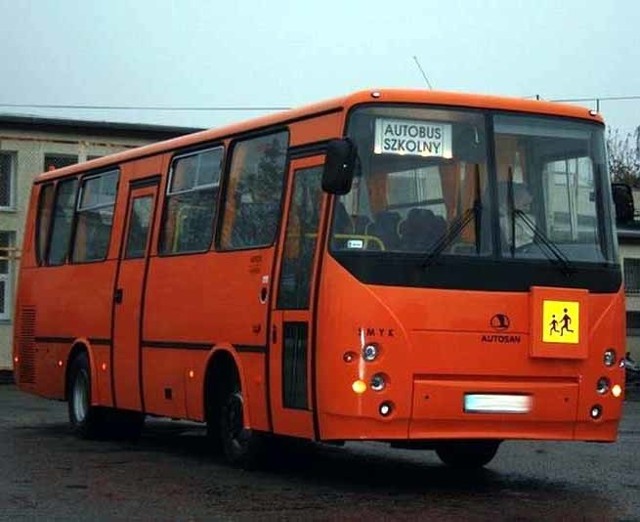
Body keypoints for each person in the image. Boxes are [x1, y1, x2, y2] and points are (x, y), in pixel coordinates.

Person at [499, 182, 536, 249]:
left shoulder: (530, 219)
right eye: (525, 205)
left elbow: (532, 241)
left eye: (529, 204)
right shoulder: (500, 220)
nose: (528, 208)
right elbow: (511, 244)